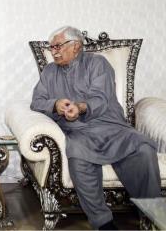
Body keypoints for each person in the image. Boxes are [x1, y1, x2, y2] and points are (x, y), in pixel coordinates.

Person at [30, 26, 161, 230]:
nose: (53, 50)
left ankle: (151, 214)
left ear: (76, 46)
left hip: (110, 125)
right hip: (78, 130)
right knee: (79, 156)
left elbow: (100, 98)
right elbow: (36, 102)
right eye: (51, 46)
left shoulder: (97, 63)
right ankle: (103, 222)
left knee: (143, 148)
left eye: (58, 46)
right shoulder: (49, 72)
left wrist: (80, 107)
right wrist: (55, 104)